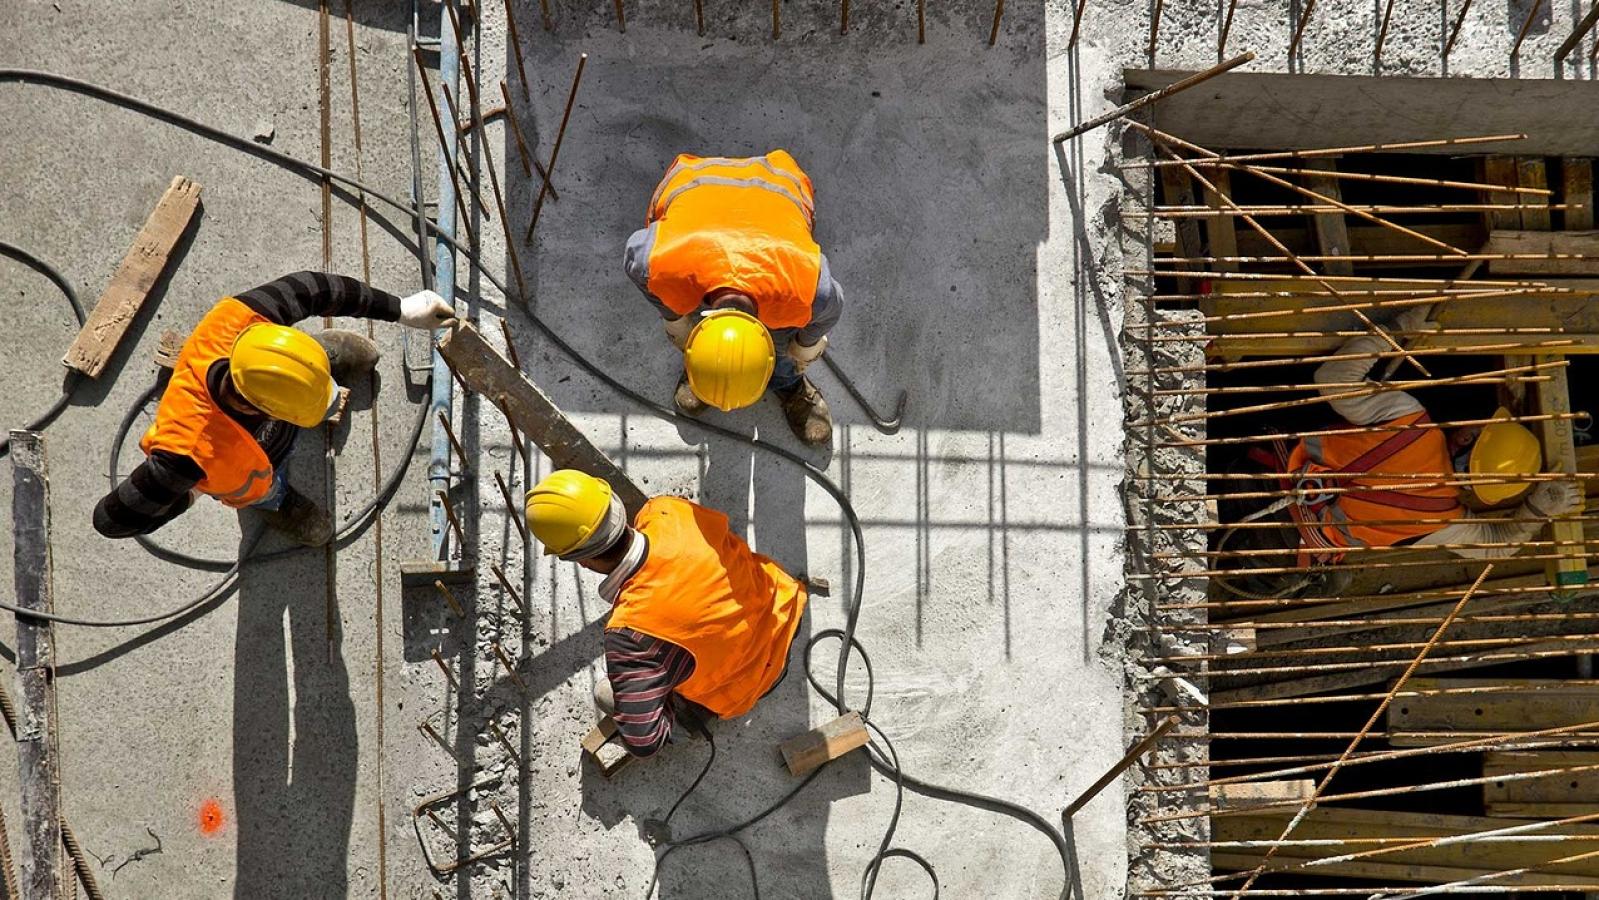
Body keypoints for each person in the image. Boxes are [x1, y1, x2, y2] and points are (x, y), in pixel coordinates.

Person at [93, 271, 455, 546]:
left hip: (281, 366)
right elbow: (110, 521)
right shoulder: (185, 454)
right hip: (256, 477)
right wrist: (191, 492)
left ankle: (315, 361)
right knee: (268, 493)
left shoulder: (239, 319)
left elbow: (316, 288)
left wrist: (400, 309)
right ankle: (275, 502)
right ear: (266, 410)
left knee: (343, 357)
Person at [1231, 306, 1582, 585]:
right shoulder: (1441, 522)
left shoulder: (1409, 420)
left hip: (1250, 484)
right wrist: (1538, 511)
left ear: (1466, 439)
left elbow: (1332, 378)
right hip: (1279, 555)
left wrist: (1396, 330)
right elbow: (1498, 545)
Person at [525, 469, 807, 758]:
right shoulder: (667, 511)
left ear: (581, 560)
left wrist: (655, 683)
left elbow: (644, 742)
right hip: (783, 605)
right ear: (615, 505)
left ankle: (690, 715)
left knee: (606, 694)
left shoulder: (630, 636)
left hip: (752, 680)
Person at [623, 150, 845, 446]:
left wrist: (804, 347)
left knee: (785, 344)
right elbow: (636, 258)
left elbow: (831, 307)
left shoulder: (806, 289)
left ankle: (786, 381)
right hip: (694, 179)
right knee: (685, 305)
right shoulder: (660, 263)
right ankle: (710, 369)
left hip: (776, 182)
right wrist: (674, 320)